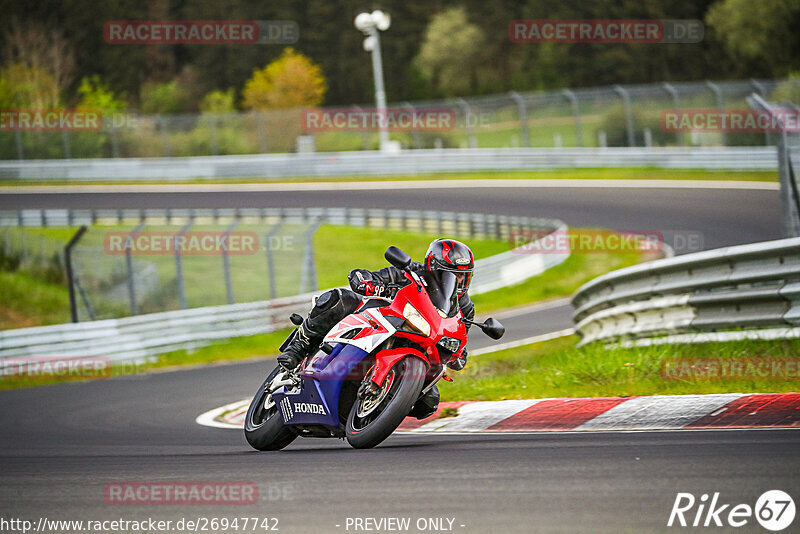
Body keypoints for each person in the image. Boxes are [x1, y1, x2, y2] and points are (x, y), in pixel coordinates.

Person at [276, 239, 476, 419]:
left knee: (428, 404)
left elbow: (460, 336)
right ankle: (297, 349)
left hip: (422, 343)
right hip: (380, 322)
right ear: (433, 266)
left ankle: (379, 410)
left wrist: (458, 353)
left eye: (463, 276)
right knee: (338, 299)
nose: (459, 281)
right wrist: (369, 283)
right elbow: (365, 278)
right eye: (453, 275)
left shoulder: (465, 307)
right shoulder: (410, 273)